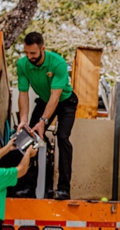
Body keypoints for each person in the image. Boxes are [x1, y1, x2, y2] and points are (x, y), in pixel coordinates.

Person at [16, 31, 78, 200]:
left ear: (43, 48)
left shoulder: (57, 63)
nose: (30, 57)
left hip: (65, 101)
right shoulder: (22, 64)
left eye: (33, 53)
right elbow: (23, 94)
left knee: (63, 138)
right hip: (44, 99)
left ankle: (64, 189)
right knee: (30, 137)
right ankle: (29, 187)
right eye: (27, 53)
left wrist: (43, 121)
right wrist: (23, 121)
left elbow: (56, 96)